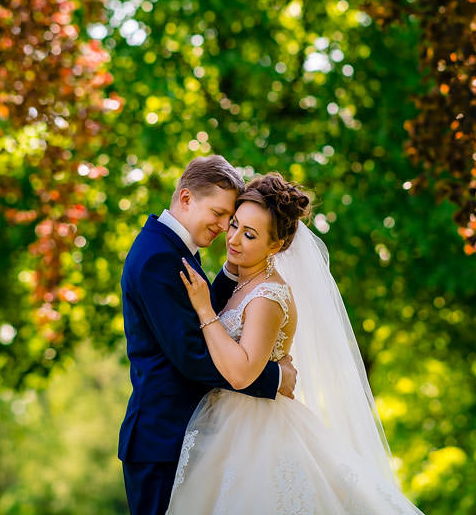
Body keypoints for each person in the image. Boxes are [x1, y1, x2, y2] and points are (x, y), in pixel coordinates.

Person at [169, 172, 426, 514]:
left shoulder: (267, 296)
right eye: (234, 225)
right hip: (226, 424)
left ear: (275, 246)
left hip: (255, 432)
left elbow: (242, 373)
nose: (233, 239)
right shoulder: (241, 282)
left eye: (250, 234)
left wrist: (204, 310)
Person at [119, 156, 298, 515]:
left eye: (231, 219)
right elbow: (192, 356)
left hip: (187, 436)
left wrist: (231, 274)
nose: (224, 229)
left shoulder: (171, 247)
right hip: (162, 439)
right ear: (186, 198)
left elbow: (206, 321)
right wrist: (275, 378)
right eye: (219, 215)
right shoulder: (159, 258)